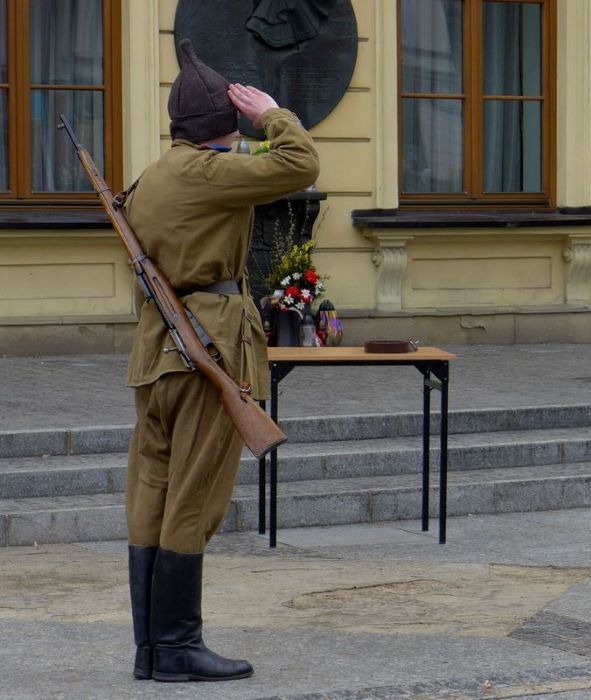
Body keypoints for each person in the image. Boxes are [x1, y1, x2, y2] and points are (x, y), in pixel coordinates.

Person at [123, 39, 320, 681]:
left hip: (156, 353)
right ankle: (179, 646)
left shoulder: (151, 178)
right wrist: (272, 114)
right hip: (206, 350)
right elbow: (300, 162)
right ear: (225, 127)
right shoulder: (209, 172)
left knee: (152, 489)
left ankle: (150, 649)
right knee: (194, 494)